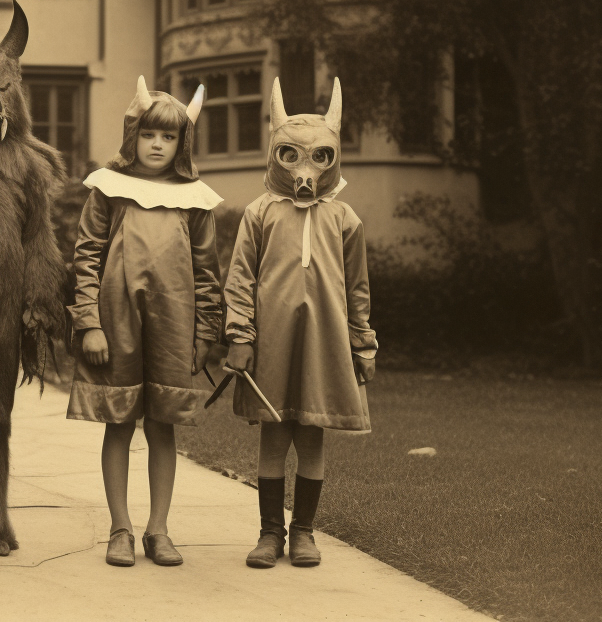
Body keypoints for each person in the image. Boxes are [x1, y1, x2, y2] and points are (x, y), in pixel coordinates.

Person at [66, 76, 224, 568]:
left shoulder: (195, 199)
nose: (157, 145)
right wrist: (88, 323)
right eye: (149, 134)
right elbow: (86, 256)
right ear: (132, 136)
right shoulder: (109, 189)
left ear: (182, 143)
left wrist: (205, 335)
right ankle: (121, 528)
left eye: (169, 137)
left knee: (162, 427)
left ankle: (159, 529)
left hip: (174, 327)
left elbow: (207, 272)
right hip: (115, 324)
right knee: (119, 425)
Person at [222, 77, 376, 569]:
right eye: (291, 156)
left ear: (332, 158)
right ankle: (270, 533)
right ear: (276, 154)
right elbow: (240, 277)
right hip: (271, 343)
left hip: (324, 344)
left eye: (319, 157)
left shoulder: (344, 219)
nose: (305, 170)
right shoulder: (260, 212)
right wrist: (240, 334)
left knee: (312, 434)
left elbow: (358, 289)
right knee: (274, 434)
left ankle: (304, 532)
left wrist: (363, 344)